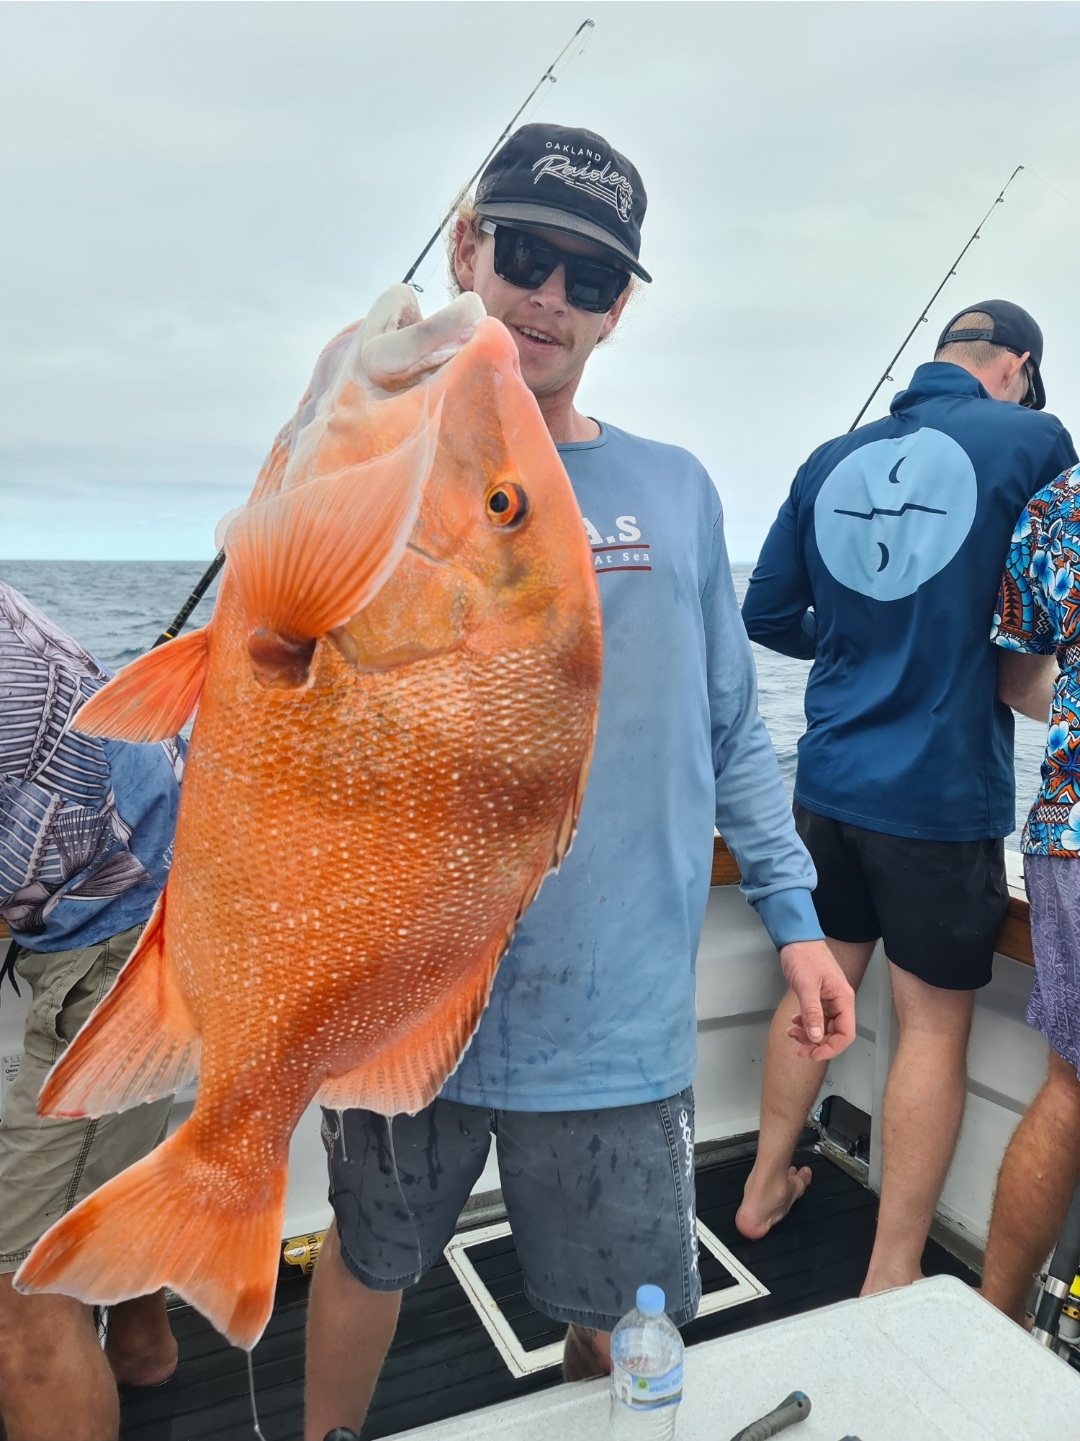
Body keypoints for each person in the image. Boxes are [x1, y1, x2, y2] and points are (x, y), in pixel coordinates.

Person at [303, 122, 856, 1439]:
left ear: (620, 309)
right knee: (369, 1256)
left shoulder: (675, 491)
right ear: (465, 247)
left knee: (631, 1309)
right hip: (403, 995)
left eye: (591, 277)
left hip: (615, 1015)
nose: (550, 297)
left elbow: (732, 727)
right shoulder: (369, 468)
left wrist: (796, 920)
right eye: (528, 253)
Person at [736, 301, 1078, 1295]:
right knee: (930, 1028)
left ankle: (760, 1186)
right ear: (1016, 366)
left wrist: (850, 649)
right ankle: (889, 1273)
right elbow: (1044, 603)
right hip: (937, 800)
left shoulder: (828, 457)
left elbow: (766, 609)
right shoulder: (1035, 439)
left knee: (816, 987)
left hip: (831, 783)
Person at [0, 583, 183, 1441]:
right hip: (168, 890)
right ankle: (141, 1347)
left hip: (115, 940)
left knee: (25, 1294)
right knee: (110, 1165)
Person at [981, 461, 1080, 1323]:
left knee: (1070, 1084)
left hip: (1070, 830)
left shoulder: (1058, 505)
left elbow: (1019, 683)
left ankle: (995, 1320)